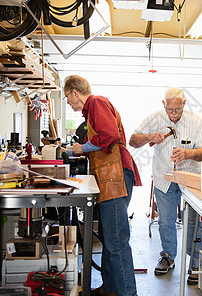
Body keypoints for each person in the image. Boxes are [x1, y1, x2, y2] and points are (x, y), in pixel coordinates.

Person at [63, 75, 141, 296]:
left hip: (115, 175)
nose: (68, 102)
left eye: (68, 97)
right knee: (109, 238)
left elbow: (109, 136)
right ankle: (110, 289)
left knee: (116, 240)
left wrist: (81, 148)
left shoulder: (96, 102)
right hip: (108, 177)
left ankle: (127, 293)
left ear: (75, 92)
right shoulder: (90, 112)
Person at [129, 87, 202, 284]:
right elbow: (132, 140)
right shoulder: (155, 118)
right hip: (163, 178)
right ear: (164, 105)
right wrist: (149, 137)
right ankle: (168, 257)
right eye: (170, 110)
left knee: (192, 222)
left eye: (177, 109)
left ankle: (196, 264)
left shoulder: (196, 122)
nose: (173, 114)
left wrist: (188, 154)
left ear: (184, 104)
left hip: (189, 178)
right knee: (166, 221)